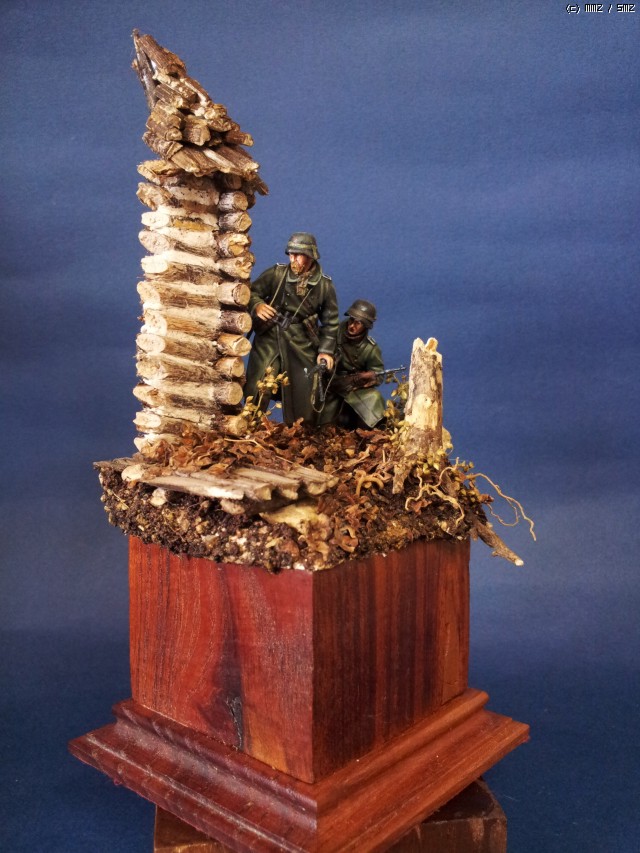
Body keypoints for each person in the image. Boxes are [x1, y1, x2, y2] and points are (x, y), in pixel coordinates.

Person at [244, 233, 339, 425]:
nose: (293, 259)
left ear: (310, 256)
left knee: (304, 388)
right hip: (270, 337)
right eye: (291, 254)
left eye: (298, 255)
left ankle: (300, 431)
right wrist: (257, 305)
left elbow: (330, 322)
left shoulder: (324, 285)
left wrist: (325, 351)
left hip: (301, 342)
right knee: (260, 382)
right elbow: (251, 292)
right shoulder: (277, 274)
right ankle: (250, 423)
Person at [319, 299, 386, 429]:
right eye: (351, 320)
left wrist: (368, 377)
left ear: (365, 325)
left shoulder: (370, 348)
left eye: (358, 323)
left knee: (374, 397)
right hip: (328, 382)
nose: (352, 325)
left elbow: (378, 374)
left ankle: (367, 433)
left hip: (352, 387)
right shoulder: (333, 333)